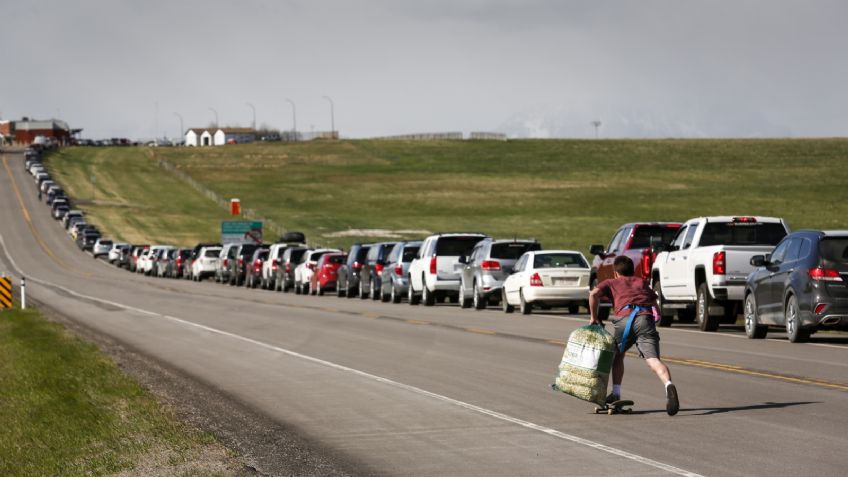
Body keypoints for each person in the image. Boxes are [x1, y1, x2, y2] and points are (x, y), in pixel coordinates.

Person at [588, 255, 679, 416]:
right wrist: (656, 315)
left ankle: (615, 392)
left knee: (617, 356)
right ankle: (669, 385)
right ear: (632, 270)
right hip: (645, 319)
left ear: (616, 273)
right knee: (653, 361)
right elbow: (653, 301)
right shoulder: (641, 282)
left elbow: (593, 294)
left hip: (624, 320)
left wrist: (594, 317)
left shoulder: (611, 282)